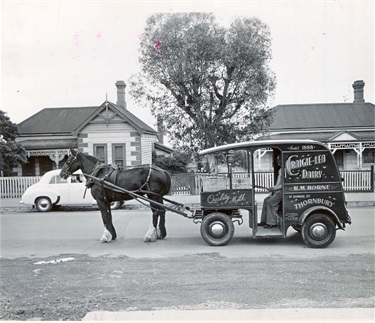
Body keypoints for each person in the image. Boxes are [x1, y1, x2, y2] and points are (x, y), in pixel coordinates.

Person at [259, 158, 282, 228]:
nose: (277, 161)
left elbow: (284, 185)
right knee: (266, 200)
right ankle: (264, 221)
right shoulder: (281, 170)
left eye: (279, 160)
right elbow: (278, 183)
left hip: (282, 192)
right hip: (278, 190)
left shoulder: (285, 170)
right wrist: (273, 188)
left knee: (270, 202)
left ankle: (271, 222)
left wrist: (274, 189)